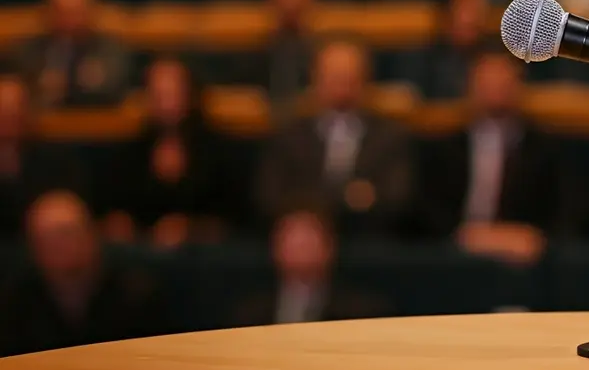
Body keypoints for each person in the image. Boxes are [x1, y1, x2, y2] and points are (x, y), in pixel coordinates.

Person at [257, 40, 417, 237]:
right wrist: (334, 200)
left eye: (350, 78)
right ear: (315, 79)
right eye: (334, 78)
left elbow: (400, 197)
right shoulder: (288, 136)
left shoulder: (391, 136)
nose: (343, 87)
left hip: (372, 237)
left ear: (365, 80)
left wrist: (370, 199)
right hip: (303, 238)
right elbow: (269, 196)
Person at [416, 53, 557, 266]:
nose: (495, 93)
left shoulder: (544, 149)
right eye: (486, 85)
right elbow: (427, 214)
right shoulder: (443, 149)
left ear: (519, 87)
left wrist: (520, 237)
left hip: (525, 261)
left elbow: (557, 216)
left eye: (503, 85)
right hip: (451, 257)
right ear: (468, 88)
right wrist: (467, 236)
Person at [0, 191, 165, 356]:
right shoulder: (16, 301)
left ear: (91, 234)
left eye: (65, 233)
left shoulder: (135, 290)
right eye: (45, 239)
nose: (57, 245)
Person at [104, 58, 229, 248]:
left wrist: (191, 229)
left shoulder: (216, 149)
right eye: (157, 95)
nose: (165, 104)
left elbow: (230, 217)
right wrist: (121, 222)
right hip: (141, 247)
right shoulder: (133, 149)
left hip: (202, 252)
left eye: (171, 94)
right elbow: (117, 205)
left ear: (190, 95)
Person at [233, 210, 387, 326]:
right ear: (274, 248)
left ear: (330, 247)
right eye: (292, 239)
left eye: (308, 239)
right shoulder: (250, 314)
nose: (300, 246)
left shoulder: (362, 313)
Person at [17, 0, 131, 108]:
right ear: (48, 11)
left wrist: (69, 86)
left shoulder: (112, 52)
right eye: (62, 12)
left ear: (91, 10)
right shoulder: (30, 52)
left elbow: (113, 90)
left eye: (76, 12)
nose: (69, 21)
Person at [0, 77, 90, 237]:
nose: (8, 119)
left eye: (14, 111)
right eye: (3, 112)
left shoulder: (56, 159)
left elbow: (73, 208)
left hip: (44, 242)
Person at [232, 0, 318, 114]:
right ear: (272, 0)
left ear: (310, 0)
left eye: (297, 0)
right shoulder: (254, 53)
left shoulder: (321, 55)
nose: (291, 8)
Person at [417, 0, 489, 99]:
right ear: (448, 18)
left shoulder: (492, 57)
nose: (470, 20)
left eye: (476, 12)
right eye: (465, 11)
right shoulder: (426, 60)